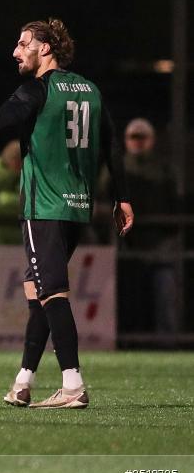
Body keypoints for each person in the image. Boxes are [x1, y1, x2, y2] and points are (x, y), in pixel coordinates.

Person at [0, 18, 133, 409]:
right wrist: (122, 198)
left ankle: (73, 384)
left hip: (44, 206)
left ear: (45, 48)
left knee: (52, 293)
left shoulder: (37, 90)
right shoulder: (89, 89)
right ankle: (23, 381)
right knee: (39, 293)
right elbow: (111, 144)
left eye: (23, 43)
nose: (16, 51)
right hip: (78, 208)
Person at [100, 118, 178, 336]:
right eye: (133, 137)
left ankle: (167, 343)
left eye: (142, 137)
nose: (138, 142)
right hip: (126, 244)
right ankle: (126, 339)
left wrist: (165, 229)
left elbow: (174, 204)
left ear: (151, 140)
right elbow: (102, 199)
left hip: (159, 244)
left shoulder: (164, 169)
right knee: (128, 296)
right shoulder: (115, 167)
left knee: (164, 294)